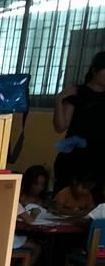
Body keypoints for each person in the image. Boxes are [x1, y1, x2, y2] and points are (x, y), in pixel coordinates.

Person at [53, 50, 105, 194]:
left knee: (93, 200)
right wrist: (58, 100)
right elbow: (60, 127)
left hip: (99, 158)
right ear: (95, 70)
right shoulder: (78, 92)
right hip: (74, 157)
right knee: (66, 197)